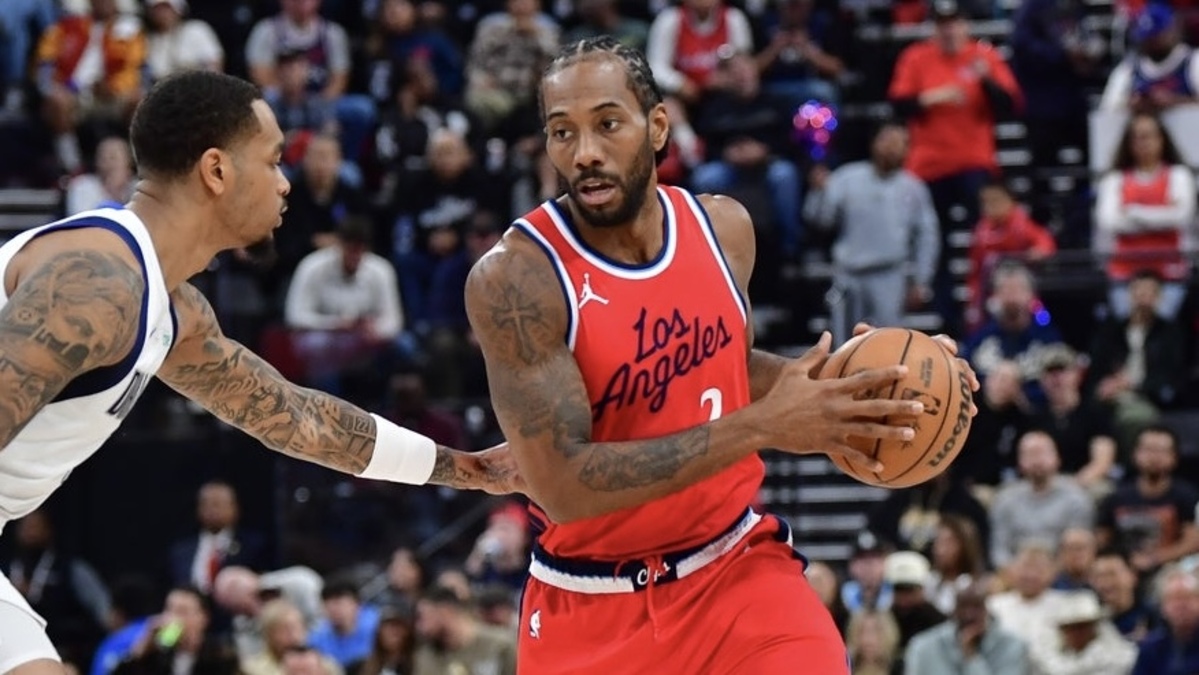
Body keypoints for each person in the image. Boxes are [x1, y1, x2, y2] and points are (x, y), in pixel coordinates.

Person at [464, 36, 979, 674]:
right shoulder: (516, 280)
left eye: (607, 123)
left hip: (736, 573)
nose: (586, 153)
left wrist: (849, 384)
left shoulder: (723, 229)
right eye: (562, 132)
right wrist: (766, 426)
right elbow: (565, 485)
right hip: (590, 606)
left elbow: (719, 363)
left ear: (657, 127)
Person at [0, 70, 521, 674]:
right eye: (273, 161)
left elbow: (296, 419)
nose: (285, 183)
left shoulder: (170, 307)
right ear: (217, 170)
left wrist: (469, 469)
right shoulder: (97, 284)